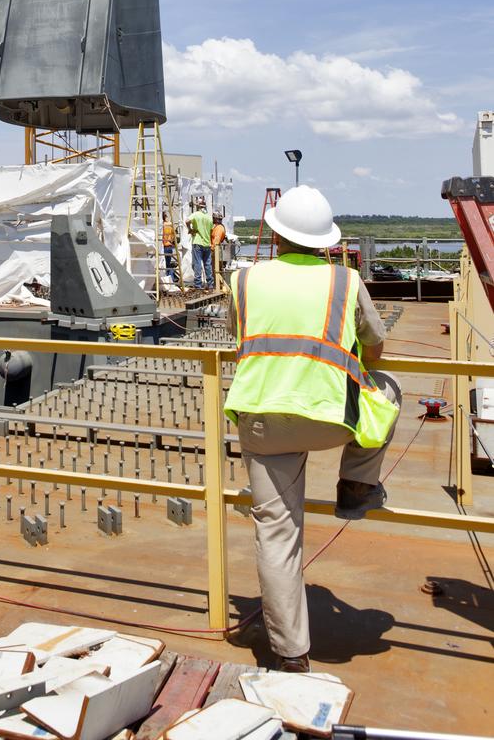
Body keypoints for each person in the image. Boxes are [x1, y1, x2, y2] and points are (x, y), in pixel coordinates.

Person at [224, 185, 401, 673]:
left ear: (276, 235)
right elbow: (376, 347)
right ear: (326, 242)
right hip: (328, 419)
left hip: (262, 420)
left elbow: (241, 335)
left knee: (278, 536)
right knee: (387, 389)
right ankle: (356, 484)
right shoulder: (345, 281)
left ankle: (291, 653)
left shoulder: (244, 279)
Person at [186, 197, 214, 290]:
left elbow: (187, 221)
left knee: (197, 264)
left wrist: (190, 229)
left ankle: (198, 285)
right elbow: (211, 230)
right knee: (208, 264)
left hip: (197, 242)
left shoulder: (196, 214)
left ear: (198, 206)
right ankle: (210, 284)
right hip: (207, 244)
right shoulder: (209, 217)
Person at [162, 212, 177, 281]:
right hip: (169, 246)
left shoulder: (161, 225)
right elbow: (174, 236)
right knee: (168, 264)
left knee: (164, 265)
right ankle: (171, 279)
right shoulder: (170, 224)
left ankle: (168, 279)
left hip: (163, 247)